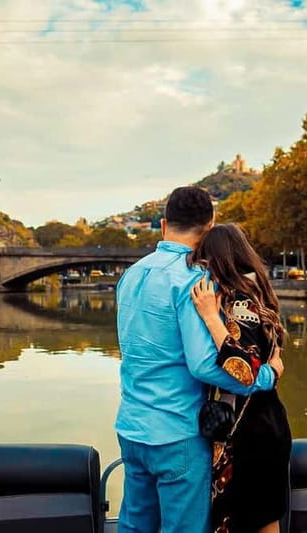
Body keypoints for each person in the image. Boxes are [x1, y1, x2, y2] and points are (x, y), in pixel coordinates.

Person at [115, 186, 284, 533]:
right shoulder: (196, 280)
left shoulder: (131, 275)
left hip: (131, 425)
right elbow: (204, 365)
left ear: (163, 225)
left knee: (134, 525)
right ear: (210, 225)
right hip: (177, 433)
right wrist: (267, 375)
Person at [190, 223, 292, 533]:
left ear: (217, 260)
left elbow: (245, 370)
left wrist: (209, 317)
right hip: (261, 423)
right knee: (260, 517)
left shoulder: (240, 302)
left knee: (251, 519)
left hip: (252, 430)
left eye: (204, 262)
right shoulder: (257, 293)